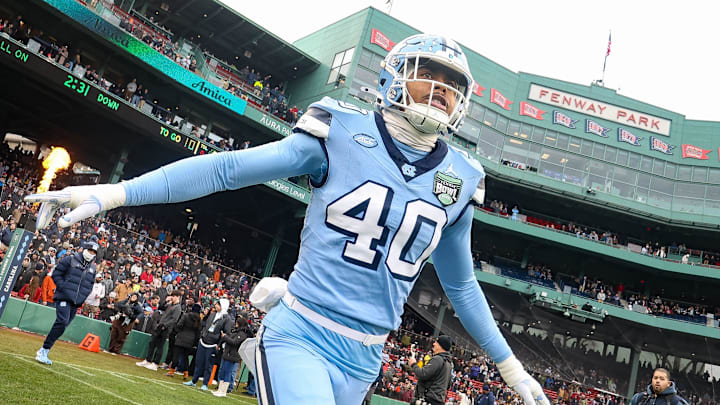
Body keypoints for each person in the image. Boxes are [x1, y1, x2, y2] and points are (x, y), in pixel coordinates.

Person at [26, 34, 549, 405]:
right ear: (394, 78)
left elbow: (460, 285)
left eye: (451, 83)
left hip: (368, 356)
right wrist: (119, 192)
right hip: (304, 332)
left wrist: (509, 365)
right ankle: (268, 347)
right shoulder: (339, 129)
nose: (439, 89)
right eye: (427, 74)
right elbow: (231, 168)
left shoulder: (461, 176)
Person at [35, 241, 98, 365]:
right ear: (84, 249)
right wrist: (63, 287)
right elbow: (56, 274)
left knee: (64, 325)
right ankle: (44, 349)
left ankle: (45, 349)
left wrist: (82, 297)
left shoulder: (93, 267)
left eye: (94, 252)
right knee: (62, 321)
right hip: (64, 296)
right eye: (90, 251)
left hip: (76, 301)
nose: (91, 254)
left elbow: (90, 284)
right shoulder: (70, 259)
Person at [183, 298, 232, 390]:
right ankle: (194, 380)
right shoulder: (213, 314)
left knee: (208, 365)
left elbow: (226, 333)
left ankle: (205, 383)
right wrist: (202, 336)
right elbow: (206, 326)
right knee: (199, 362)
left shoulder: (227, 319)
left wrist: (219, 344)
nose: (216, 306)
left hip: (213, 344)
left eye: (218, 304)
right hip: (204, 341)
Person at [137, 291, 182, 370]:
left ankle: (155, 363)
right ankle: (148, 360)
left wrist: (165, 325)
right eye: (172, 296)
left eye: (174, 296)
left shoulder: (178, 308)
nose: (172, 297)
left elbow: (174, 319)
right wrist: (166, 301)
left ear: (178, 297)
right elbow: (161, 307)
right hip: (160, 326)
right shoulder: (170, 305)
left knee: (160, 346)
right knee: (152, 343)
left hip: (166, 328)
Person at [407, 335, 454, 405]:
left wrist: (413, 364)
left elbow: (422, 374)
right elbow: (448, 385)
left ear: (441, 345)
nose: (433, 344)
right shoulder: (449, 363)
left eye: (436, 342)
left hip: (428, 400)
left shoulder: (438, 359)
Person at [212, 315, 249, 397]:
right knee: (223, 372)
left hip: (233, 356)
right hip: (227, 354)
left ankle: (223, 391)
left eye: (237, 323)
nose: (235, 324)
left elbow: (235, 343)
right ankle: (220, 389)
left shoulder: (242, 334)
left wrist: (225, 337)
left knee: (227, 373)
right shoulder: (235, 331)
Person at [168, 303, 202, 379]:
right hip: (190, 341)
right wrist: (195, 343)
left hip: (181, 338)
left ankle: (172, 371)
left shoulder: (186, 315)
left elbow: (179, 325)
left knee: (176, 355)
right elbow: (198, 333)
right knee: (185, 357)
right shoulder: (199, 320)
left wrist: (177, 332)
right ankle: (186, 373)